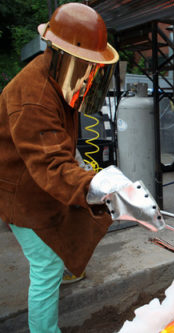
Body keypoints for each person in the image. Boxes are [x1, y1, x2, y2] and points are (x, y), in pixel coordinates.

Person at [0, 3, 149, 332]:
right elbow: (51, 165)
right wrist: (102, 187)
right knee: (45, 266)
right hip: (22, 192)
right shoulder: (33, 95)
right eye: (87, 66)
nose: (90, 75)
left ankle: (64, 268)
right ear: (62, 55)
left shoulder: (54, 80)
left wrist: (87, 173)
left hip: (38, 183)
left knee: (74, 223)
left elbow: (59, 146)